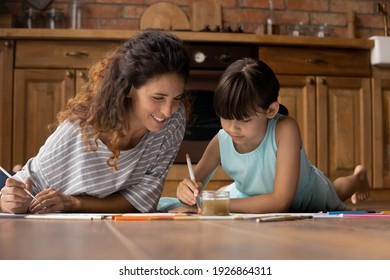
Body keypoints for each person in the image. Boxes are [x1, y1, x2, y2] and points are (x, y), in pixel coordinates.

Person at [0, 30, 190, 214]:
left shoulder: (174, 119)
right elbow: (22, 191)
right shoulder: (80, 131)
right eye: (158, 98)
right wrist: (11, 201)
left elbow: (145, 200)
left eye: (177, 97)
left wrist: (73, 203)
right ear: (130, 88)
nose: (167, 111)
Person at [170, 58, 370, 214]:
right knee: (225, 196)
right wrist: (185, 190)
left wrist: (212, 205)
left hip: (306, 194)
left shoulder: (285, 129)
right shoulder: (221, 141)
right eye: (225, 117)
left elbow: (280, 202)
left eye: (244, 120)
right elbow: (193, 186)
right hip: (253, 196)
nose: (232, 128)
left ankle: (358, 177)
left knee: (337, 192)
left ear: (271, 110)